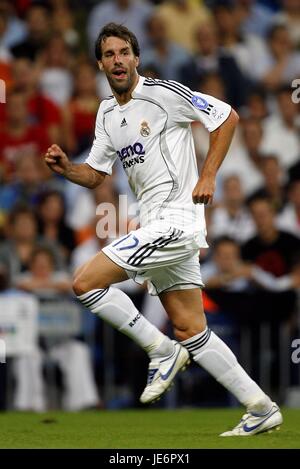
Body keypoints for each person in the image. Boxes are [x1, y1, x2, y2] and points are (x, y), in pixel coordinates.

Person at [44, 23, 282, 436]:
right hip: (154, 224)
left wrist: (207, 176)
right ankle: (260, 406)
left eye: (124, 52)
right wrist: (67, 169)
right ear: (100, 63)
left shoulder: (163, 92)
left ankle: (159, 348)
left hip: (177, 220)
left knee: (85, 283)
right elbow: (97, 175)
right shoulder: (106, 113)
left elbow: (226, 117)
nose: (117, 60)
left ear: (136, 57)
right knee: (191, 328)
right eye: (109, 54)